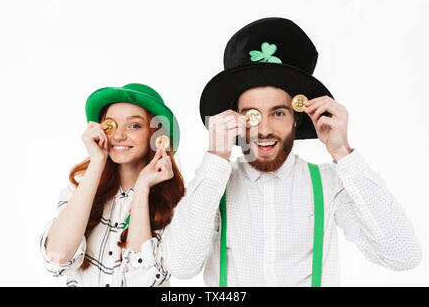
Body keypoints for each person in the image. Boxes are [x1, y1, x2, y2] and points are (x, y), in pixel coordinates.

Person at [161, 17, 422, 286]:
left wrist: (343, 152)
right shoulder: (214, 185)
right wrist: (215, 158)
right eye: (251, 114)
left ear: (296, 119)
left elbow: (403, 256)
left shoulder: (329, 183)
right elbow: (181, 265)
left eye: (278, 112)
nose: (263, 129)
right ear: (235, 119)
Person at [40, 83, 184, 287]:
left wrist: (142, 188)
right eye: (110, 125)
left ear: (157, 137)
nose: (118, 136)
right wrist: (97, 162)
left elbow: (142, 283)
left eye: (134, 125)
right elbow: (57, 257)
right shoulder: (77, 191)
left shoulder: (175, 205)